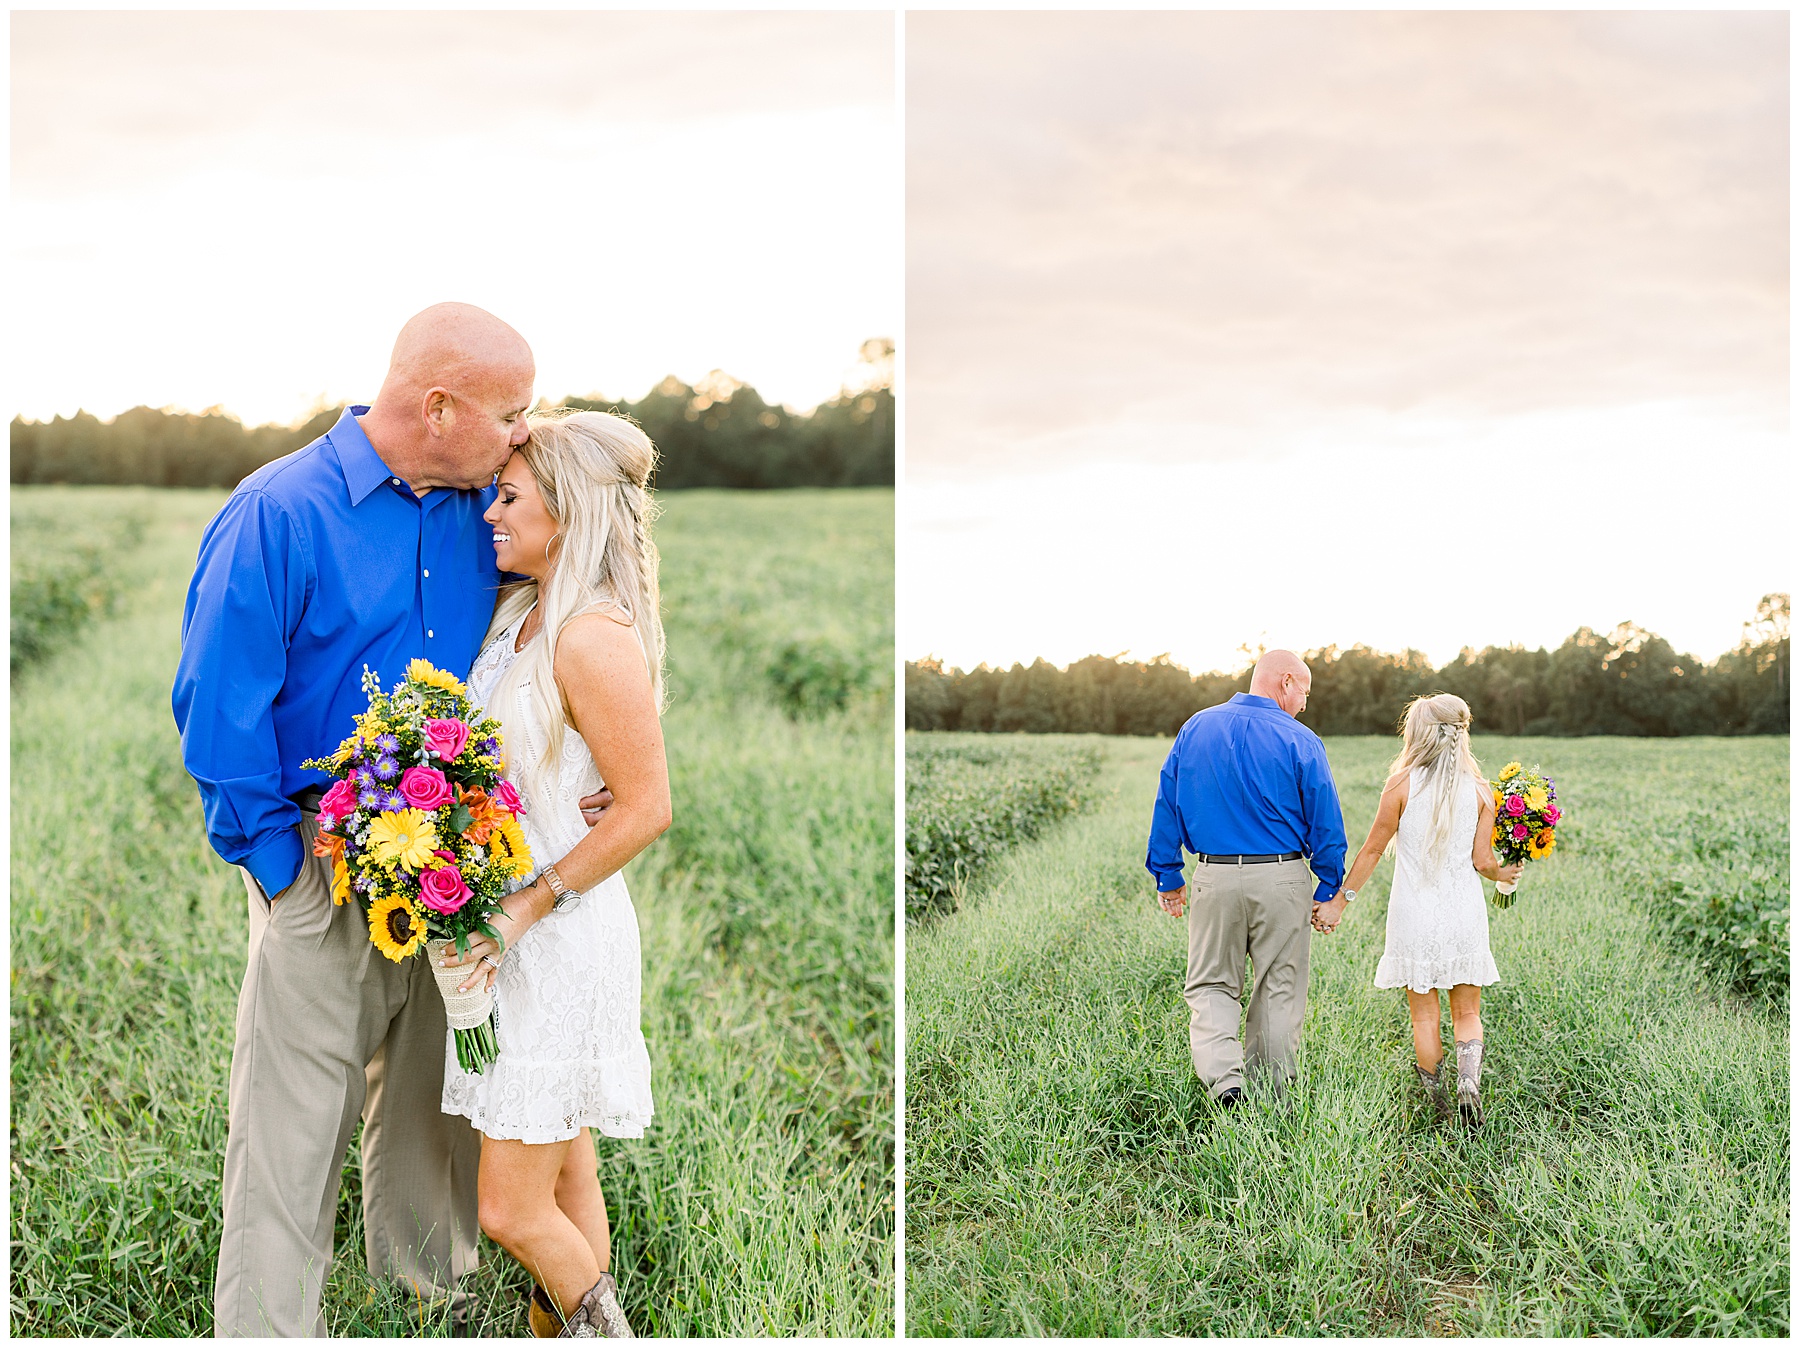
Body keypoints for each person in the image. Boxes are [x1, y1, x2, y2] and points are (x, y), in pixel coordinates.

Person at [174, 303, 602, 1335]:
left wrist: (590, 762)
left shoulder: (487, 510)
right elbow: (218, 709)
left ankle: (423, 1312)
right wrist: (282, 872)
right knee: (291, 1130)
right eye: (511, 410)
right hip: (318, 861)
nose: (524, 430)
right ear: (440, 407)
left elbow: (581, 610)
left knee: (434, 1116)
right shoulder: (277, 511)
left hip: (463, 861)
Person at [437, 410, 671, 1338]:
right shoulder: (523, 612)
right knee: (569, 1173)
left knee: (510, 1210)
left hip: (557, 936)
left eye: (509, 497)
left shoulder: (588, 633)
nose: (490, 513)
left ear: (566, 512)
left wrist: (526, 906)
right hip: (513, 931)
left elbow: (647, 806)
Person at [1146, 650, 1349, 1107]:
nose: (1304, 704)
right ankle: (1272, 1097)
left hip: (1214, 876)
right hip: (1282, 878)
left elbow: (1168, 801)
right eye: (1304, 692)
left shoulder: (1196, 727)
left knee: (1211, 985)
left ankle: (1226, 1083)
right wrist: (1328, 885)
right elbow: (1326, 821)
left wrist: (1168, 874)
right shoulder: (1301, 740)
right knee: (1279, 987)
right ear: (1286, 682)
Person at [1336, 693, 1520, 1128]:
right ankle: (1469, 1082)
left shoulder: (1400, 784)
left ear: (1419, 734)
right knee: (1468, 1013)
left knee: (1424, 1016)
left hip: (1413, 915)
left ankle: (1436, 1103)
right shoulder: (1481, 790)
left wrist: (1341, 900)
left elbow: (1372, 849)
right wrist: (1505, 873)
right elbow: (1483, 863)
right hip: (1464, 914)